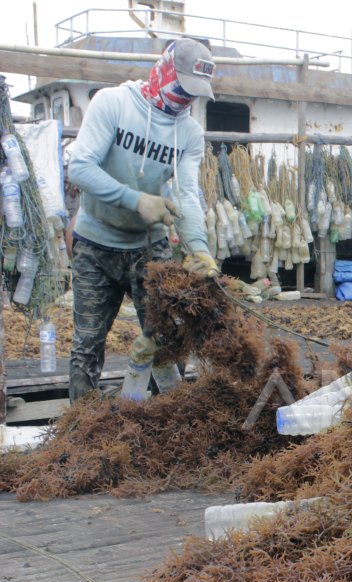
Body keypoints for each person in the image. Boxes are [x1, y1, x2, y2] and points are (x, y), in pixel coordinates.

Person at [66, 37, 219, 402]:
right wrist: (135, 200)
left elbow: (186, 195)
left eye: (195, 94)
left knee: (166, 336)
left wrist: (198, 247)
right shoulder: (113, 104)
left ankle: (167, 417)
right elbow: (80, 167)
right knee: (87, 342)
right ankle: (78, 428)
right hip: (95, 243)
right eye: (183, 88)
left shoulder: (189, 133)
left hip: (148, 247)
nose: (187, 99)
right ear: (164, 71)